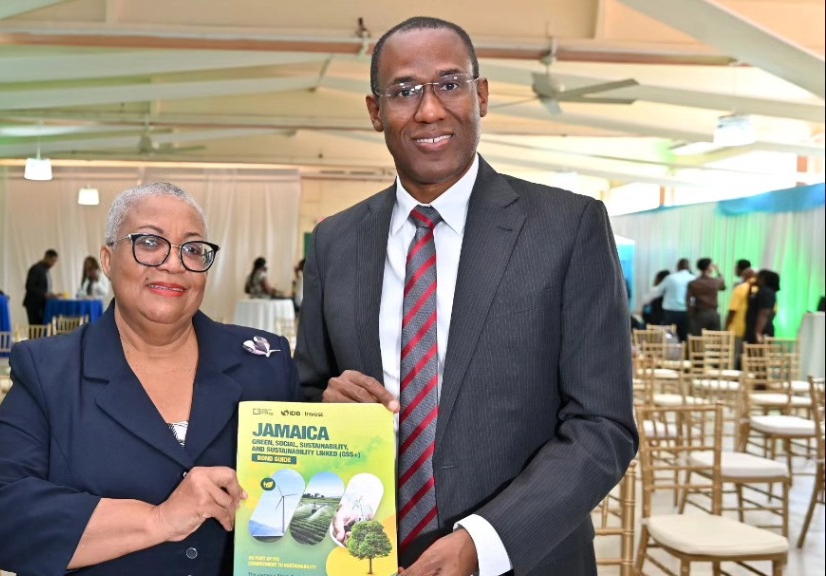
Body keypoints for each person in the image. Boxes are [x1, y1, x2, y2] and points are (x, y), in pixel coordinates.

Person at [294, 17, 636, 576]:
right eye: (404, 91)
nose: (429, 110)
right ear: (375, 111)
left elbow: (603, 427)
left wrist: (485, 542)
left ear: (481, 95)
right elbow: (307, 391)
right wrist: (326, 411)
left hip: (523, 558)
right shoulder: (336, 241)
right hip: (365, 556)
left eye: (449, 84)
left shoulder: (566, 227)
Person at [0, 182, 301, 575]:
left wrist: (346, 425)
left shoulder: (264, 361)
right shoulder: (50, 370)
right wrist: (157, 520)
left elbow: (302, 483)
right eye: (150, 242)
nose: (173, 263)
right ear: (107, 258)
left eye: (193, 249)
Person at [643, 258, 695, 341]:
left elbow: (658, 292)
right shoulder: (693, 278)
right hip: (686, 311)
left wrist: (645, 302)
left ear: (678, 266)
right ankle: (683, 351)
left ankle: (666, 351)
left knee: (667, 334)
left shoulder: (670, 278)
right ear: (689, 267)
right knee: (684, 335)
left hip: (670, 311)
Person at [686, 257, 726, 335]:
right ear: (709, 267)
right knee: (715, 340)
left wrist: (691, 313)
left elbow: (689, 301)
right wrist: (718, 272)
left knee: (697, 339)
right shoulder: (715, 282)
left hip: (699, 313)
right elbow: (723, 286)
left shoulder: (693, 283)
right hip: (713, 314)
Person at [23, 249, 58, 325]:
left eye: (55, 261)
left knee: (42, 328)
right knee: (36, 329)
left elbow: (45, 287)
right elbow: (29, 286)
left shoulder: (46, 270)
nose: (53, 263)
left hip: (43, 303)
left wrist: (51, 294)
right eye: (52, 260)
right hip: (34, 304)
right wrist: (44, 294)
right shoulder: (36, 269)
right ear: (46, 258)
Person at [745, 269, 780, 344]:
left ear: (763, 279)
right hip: (754, 329)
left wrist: (758, 332)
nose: (756, 279)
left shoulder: (766, 292)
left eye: (758, 277)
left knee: (758, 354)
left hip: (762, 331)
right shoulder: (761, 291)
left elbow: (764, 313)